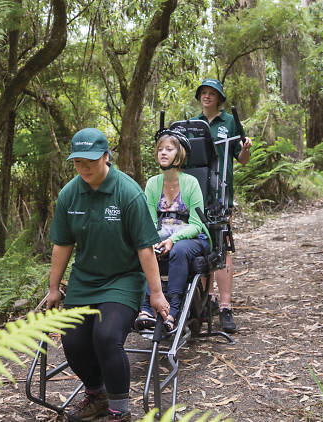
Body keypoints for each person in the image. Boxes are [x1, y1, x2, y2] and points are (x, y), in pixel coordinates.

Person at [46, 128, 170, 422]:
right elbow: (62, 245)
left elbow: (144, 249)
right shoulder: (69, 194)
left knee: (106, 337)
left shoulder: (128, 192)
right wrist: (53, 288)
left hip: (122, 279)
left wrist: (156, 293)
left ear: (106, 156)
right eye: (78, 162)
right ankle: (96, 394)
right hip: (84, 279)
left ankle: (120, 410)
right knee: (73, 341)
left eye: (90, 161)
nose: (84, 168)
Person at [134, 129, 212, 332]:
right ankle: (146, 309)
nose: (163, 153)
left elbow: (197, 223)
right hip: (161, 233)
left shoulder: (191, 183)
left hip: (193, 236)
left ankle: (173, 312)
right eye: (160, 149)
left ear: (179, 154)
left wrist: (174, 239)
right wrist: (149, 240)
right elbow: (149, 221)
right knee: (144, 249)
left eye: (169, 149)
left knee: (179, 250)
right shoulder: (152, 183)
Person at [192, 78, 252, 333]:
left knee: (222, 246)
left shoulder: (229, 122)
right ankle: (206, 303)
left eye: (212, 93)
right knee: (202, 247)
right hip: (197, 195)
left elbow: (242, 159)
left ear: (219, 98)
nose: (207, 97)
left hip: (221, 193)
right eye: (203, 93)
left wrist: (247, 148)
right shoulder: (194, 124)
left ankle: (226, 307)